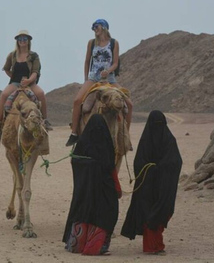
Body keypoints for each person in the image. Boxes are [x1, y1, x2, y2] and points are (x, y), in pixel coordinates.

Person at [121, 110, 182, 256]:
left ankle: (156, 245)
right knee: (148, 212)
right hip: (147, 185)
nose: (157, 128)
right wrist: (151, 170)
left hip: (163, 185)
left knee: (161, 211)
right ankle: (152, 246)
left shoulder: (169, 141)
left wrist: (160, 168)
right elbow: (139, 163)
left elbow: (175, 161)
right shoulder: (146, 142)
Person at [66, 19, 133, 147]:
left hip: (110, 79)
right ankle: (74, 133)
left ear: (103, 27)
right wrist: (86, 78)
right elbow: (87, 61)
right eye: (93, 27)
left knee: (129, 104)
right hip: (93, 78)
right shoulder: (91, 43)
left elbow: (115, 63)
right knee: (77, 101)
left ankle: (125, 136)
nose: (94, 29)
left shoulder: (113, 43)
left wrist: (108, 71)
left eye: (96, 26)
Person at [62, 114, 122, 255]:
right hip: (102, 190)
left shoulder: (81, 146)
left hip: (83, 192)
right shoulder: (106, 147)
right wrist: (116, 188)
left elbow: (75, 163)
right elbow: (110, 167)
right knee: (108, 210)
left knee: (81, 209)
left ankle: (76, 244)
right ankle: (97, 246)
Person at [0, 30, 52, 147]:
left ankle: (45, 120)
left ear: (28, 40)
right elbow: (6, 68)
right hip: (16, 83)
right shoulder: (12, 55)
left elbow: (35, 71)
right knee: (4, 95)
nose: (22, 41)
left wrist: (29, 81)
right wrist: (14, 77)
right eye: (20, 39)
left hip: (30, 83)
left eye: (24, 39)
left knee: (41, 94)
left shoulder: (34, 56)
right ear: (17, 41)